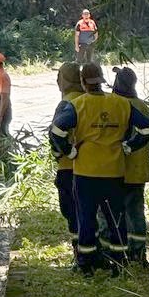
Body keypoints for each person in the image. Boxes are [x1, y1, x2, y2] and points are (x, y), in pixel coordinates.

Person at [48, 61, 149, 275]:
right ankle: (120, 264)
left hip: (86, 172)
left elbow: (56, 131)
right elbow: (148, 128)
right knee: (116, 219)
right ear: (102, 80)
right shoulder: (120, 103)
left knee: (86, 219)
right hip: (114, 171)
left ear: (83, 82)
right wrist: (129, 146)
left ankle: (86, 265)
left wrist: (69, 152)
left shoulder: (78, 104)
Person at [112, 66, 149, 266]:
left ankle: (120, 253)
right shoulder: (141, 105)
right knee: (136, 212)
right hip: (138, 170)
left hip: (121, 168)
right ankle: (139, 254)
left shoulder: (118, 105)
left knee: (117, 213)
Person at [50, 61, 83, 269]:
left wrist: (61, 153)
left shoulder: (66, 103)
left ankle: (79, 254)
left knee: (72, 213)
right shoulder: (87, 98)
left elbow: (54, 134)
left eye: (59, 77)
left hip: (68, 167)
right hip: (91, 167)